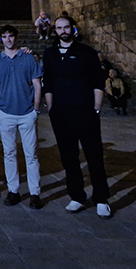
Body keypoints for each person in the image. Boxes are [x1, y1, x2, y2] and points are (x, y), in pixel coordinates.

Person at [43, 16, 113, 218]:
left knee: (93, 155)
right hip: (61, 111)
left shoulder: (87, 52)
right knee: (68, 156)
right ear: (54, 30)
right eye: (59, 28)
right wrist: (51, 105)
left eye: (66, 27)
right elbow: (48, 79)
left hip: (84, 110)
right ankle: (77, 196)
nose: (63, 30)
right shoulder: (50, 53)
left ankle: (101, 198)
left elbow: (97, 81)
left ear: (72, 29)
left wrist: (96, 107)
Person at [0, 25, 43, 209]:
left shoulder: (28, 59)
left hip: (27, 113)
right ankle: (13, 190)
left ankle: (35, 193)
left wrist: (35, 109)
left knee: (31, 154)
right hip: (6, 113)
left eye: (10, 36)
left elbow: (37, 84)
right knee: (9, 153)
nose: (8, 40)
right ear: (1, 39)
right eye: (4, 37)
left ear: (16, 37)